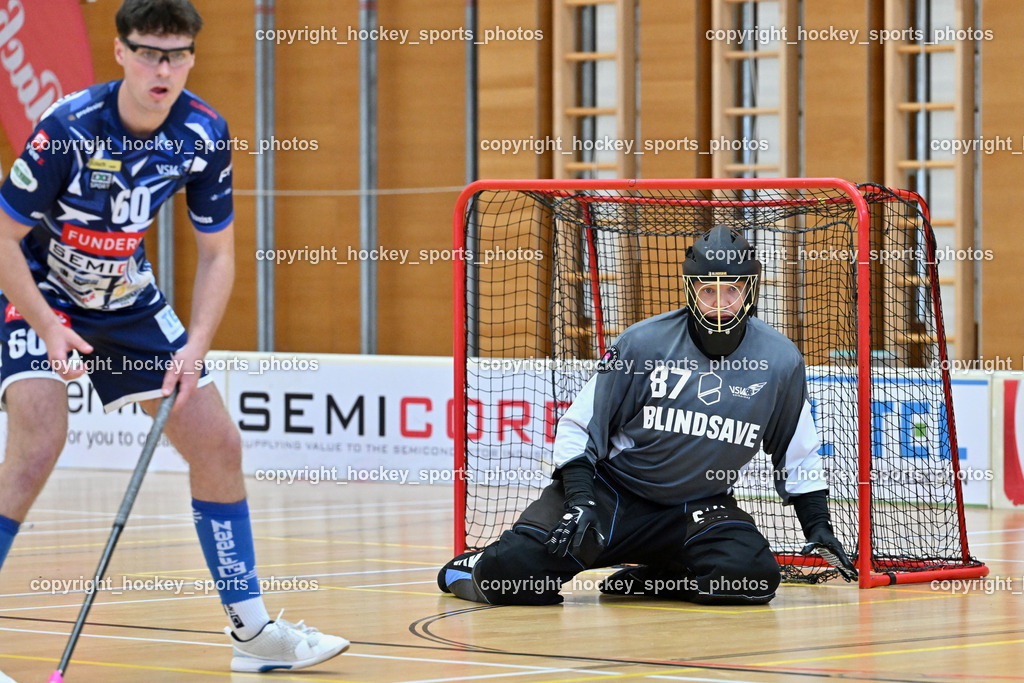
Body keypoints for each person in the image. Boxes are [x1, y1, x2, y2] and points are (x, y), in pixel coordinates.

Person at [0, 0, 348, 673]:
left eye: (179, 54)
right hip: (37, 290)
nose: (166, 69)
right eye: (151, 53)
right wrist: (47, 323)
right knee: (40, 441)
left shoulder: (202, 131)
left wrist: (195, 347)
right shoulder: (67, 128)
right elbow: (2, 237)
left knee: (217, 441)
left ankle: (253, 634)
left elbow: (218, 254)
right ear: (120, 52)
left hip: (127, 302)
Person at [439, 225, 857, 606]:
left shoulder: (780, 361)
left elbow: (797, 453)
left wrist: (817, 528)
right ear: (691, 290)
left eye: (731, 289)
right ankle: (471, 566)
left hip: (696, 507)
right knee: (513, 578)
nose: (720, 303)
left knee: (751, 580)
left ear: (750, 291)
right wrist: (581, 499)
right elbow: (576, 428)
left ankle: (656, 578)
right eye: (707, 291)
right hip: (610, 497)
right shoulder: (642, 344)